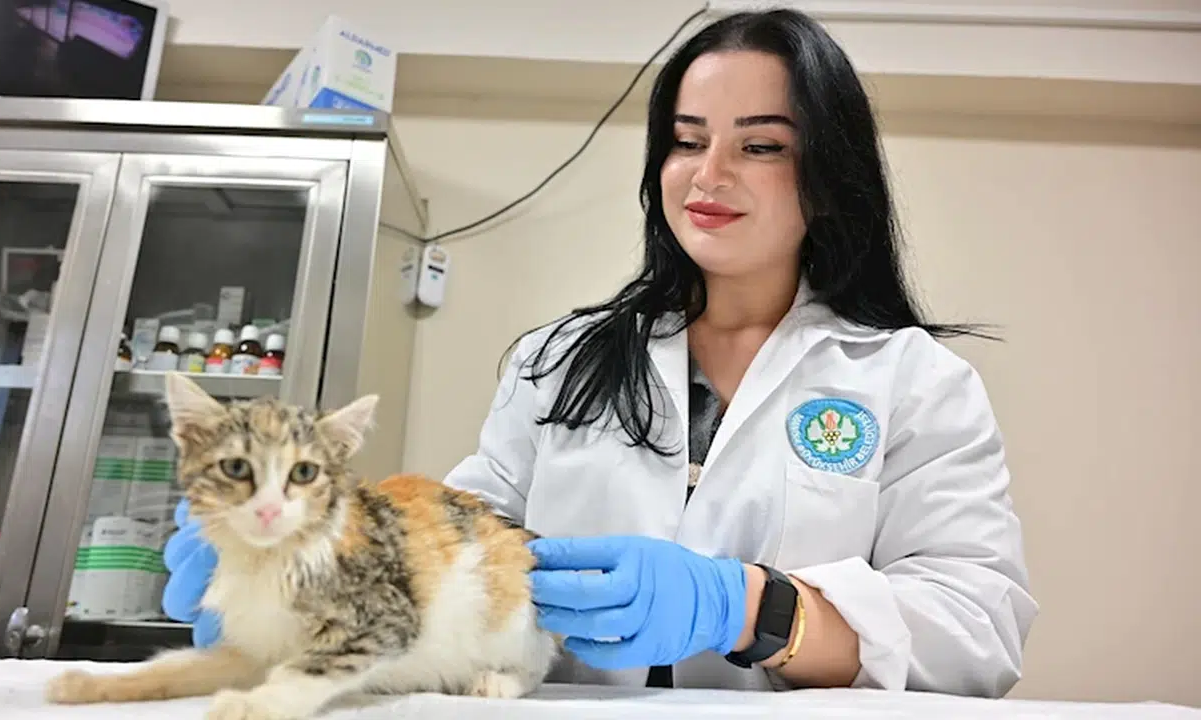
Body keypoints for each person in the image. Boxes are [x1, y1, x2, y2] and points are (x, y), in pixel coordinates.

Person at [160, 8, 1037, 699]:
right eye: (687, 140)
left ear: (829, 177)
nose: (708, 173)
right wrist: (306, 571)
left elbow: (978, 629)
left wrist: (750, 608)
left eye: (761, 145)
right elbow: (460, 540)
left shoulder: (911, 381)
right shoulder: (557, 363)